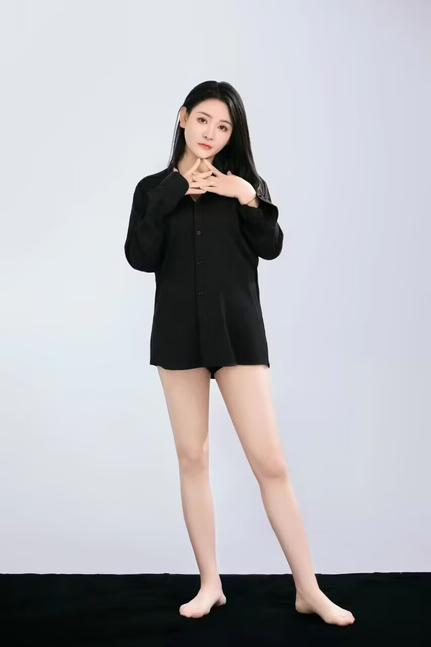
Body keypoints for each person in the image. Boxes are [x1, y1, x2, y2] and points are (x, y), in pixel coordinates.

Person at [124, 80, 355, 625]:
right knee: (193, 458)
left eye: (224, 126)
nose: (211, 133)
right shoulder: (152, 188)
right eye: (203, 119)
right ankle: (210, 584)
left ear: (233, 135)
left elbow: (271, 247)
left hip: (238, 336)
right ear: (183, 117)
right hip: (178, 337)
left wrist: (246, 196)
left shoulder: (244, 187)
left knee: (270, 463)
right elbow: (140, 255)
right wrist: (175, 190)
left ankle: (309, 589)